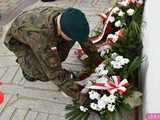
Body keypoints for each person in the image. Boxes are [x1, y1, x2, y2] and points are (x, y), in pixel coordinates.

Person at [4, 6, 102, 100]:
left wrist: (100, 63)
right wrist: (82, 98)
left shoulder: (69, 19)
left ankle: (38, 57)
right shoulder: (41, 38)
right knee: (44, 73)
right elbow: (54, 72)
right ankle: (26, 65)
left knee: (60, 55)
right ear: (62, 31)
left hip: (39, 32)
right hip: (19, 42)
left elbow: (84, 40)